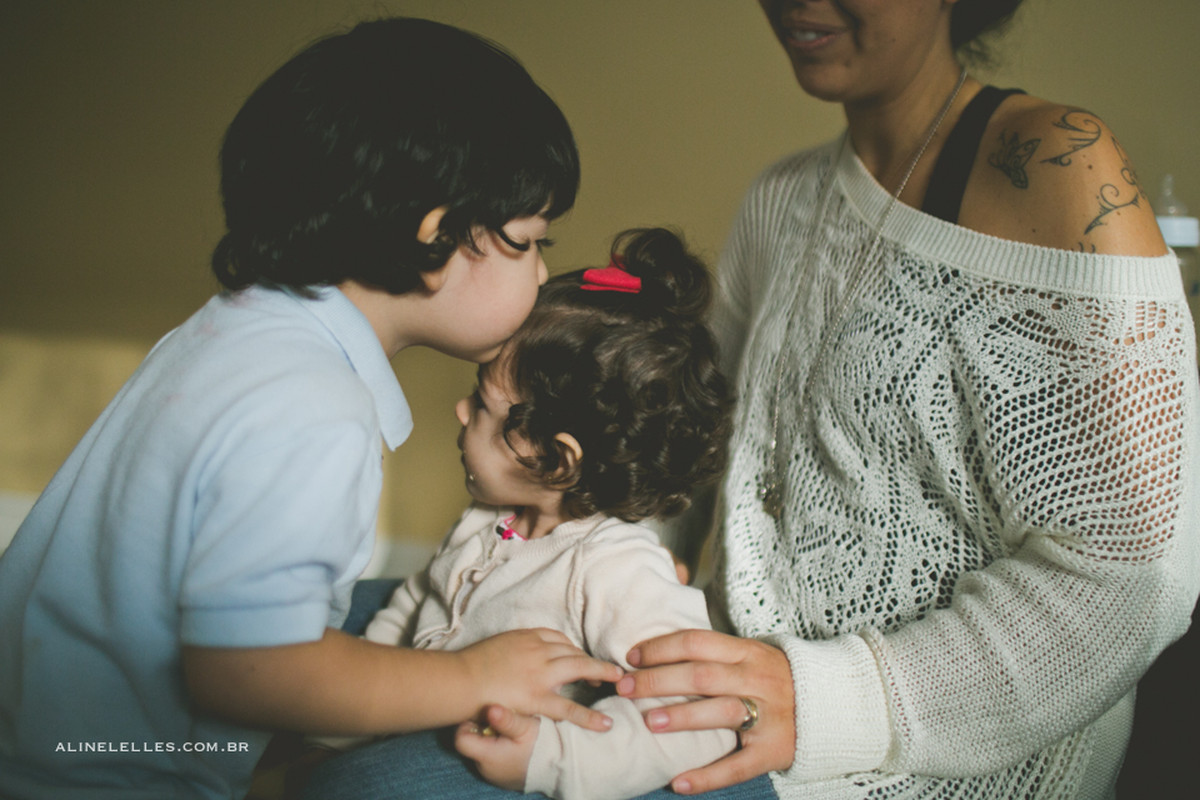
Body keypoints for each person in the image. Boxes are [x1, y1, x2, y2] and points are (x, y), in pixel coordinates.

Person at [0, 18, 623, 800]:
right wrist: (468, 674)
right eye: (531, 241)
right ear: (433, 236)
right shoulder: (316, 410)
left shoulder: (231, 331)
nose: (539, 274)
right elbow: (250, 669)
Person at [610, 1, 1200, 798]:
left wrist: (828, 700)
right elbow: (686, 445)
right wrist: (606, 577)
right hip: (727, 704)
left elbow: (1135, 575)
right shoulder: (779, 199)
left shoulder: (1062, 167)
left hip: (936, 762)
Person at [297, 228, 757, 800]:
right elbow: (420, 600)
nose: (462, 411)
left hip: (510, 758)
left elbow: (698, 722)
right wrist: (341, 727)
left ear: (557, 461)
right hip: (430, 702)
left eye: (485, 405)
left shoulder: (613, 570)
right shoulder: (491, 519)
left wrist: (554, 758)